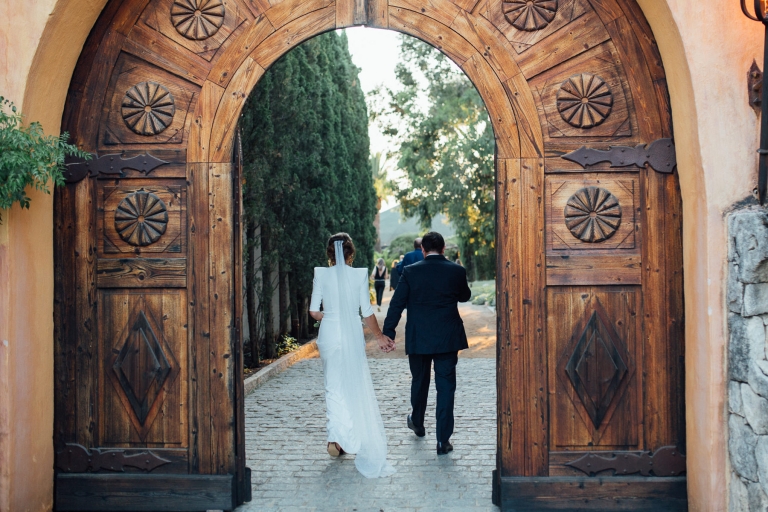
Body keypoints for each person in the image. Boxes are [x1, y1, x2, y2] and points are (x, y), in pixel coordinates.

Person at [309, 233, 396, 478]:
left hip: (329, 334)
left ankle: (335, 439)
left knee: (332, 387)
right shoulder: (359, 274)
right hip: (351, 334)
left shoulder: (320, 273)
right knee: (352, 385)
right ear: (351, 253)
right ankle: (346, 438)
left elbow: (314, 311)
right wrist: (379, 336)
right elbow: (366, 311)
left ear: (329, 253)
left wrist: (329, 317)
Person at [382, 231, 471, 455]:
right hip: (447, 337)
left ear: (423, 250)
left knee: (419, 381)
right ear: (443, 249)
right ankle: (443, 441)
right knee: (446, 387)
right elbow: (465, 296)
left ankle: (418, 422)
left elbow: (397, 304)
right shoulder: (456, 270)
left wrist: (388, 332)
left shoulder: (411, 271)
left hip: (418, 336)